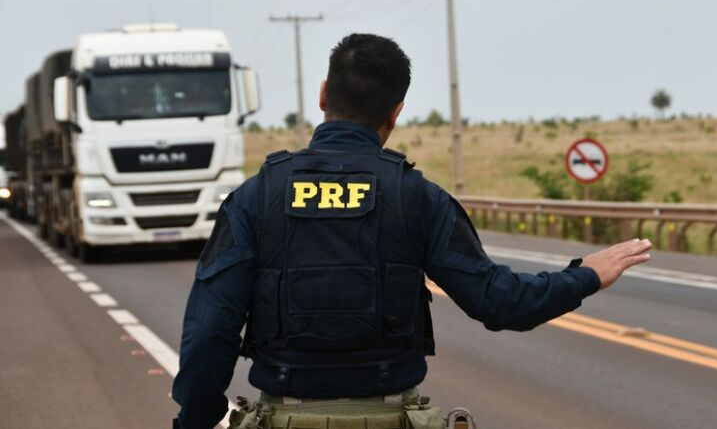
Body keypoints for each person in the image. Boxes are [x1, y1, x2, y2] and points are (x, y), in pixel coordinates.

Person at [172, 33, 652, 429]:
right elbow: (499, 302)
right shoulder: (416, 197)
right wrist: (586, 274)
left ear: (323, 95)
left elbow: (210, 332)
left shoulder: (257, 198)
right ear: (397, 111)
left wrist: (194, 422)